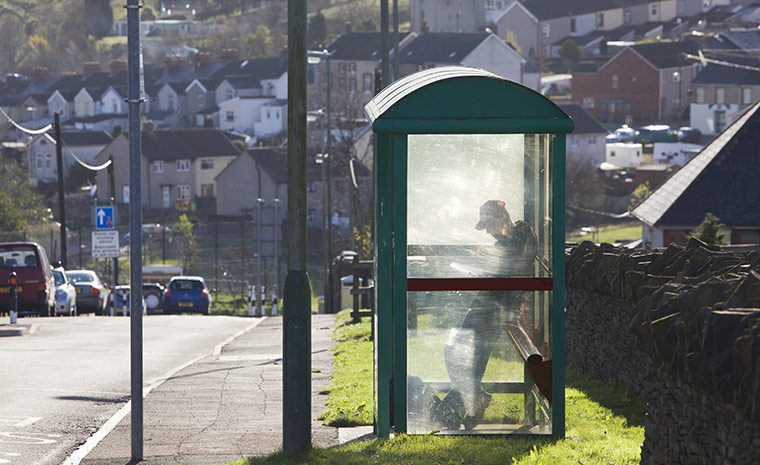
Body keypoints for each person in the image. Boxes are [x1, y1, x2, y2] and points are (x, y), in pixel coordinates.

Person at [432, 199, 538, 430]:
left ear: (499, 219)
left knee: (467, 357)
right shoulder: (505, 240)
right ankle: (470, 401)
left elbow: (508, 269)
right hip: (489, 302)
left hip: (499, 307)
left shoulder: (519, 234)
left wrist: (484, 268)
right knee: (458, 352)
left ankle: (458, 407)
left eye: (488, 226)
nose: (488, 232)